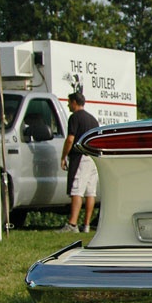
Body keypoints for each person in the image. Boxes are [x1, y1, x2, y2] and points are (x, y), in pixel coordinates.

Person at [59, 92, 100, 233]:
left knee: (77, 190)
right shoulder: (93, 120)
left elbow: (70, 139)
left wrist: (64, 156)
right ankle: (86, 225)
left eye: (69, 102)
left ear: (75, 102)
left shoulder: (74, 117)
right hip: (93, 157)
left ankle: (72, 224)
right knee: (90, 192)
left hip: (81, 157)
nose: (68, 105)